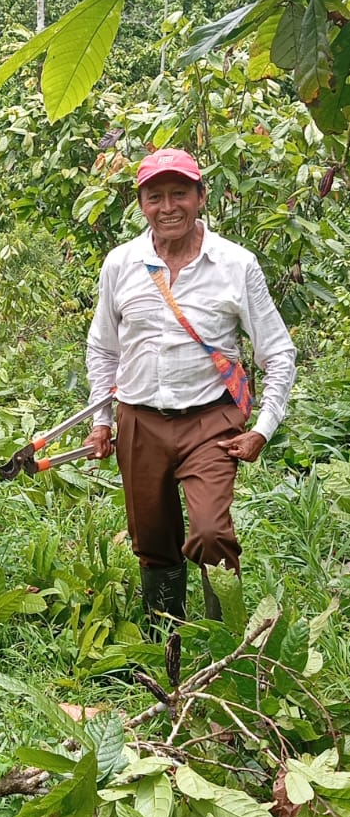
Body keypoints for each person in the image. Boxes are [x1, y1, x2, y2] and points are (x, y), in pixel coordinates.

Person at [86, 148, 296, 626]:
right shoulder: (121, 264)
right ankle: (167, 638)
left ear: (201, 197)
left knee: (210, 532)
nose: (168, 207)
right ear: (141, 205)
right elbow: (102, 348)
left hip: (210, 422)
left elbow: (278, 351)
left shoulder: (236, 264)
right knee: (152, 538)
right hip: (139, 421)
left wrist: (263, 427)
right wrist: (101, 421)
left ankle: (224, 638)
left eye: (179, 193)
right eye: (155, 197)